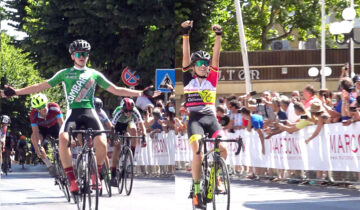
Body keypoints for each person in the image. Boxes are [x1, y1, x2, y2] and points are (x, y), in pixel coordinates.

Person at [1, 39, 157, 193]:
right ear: (72, 56)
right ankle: (72, 181)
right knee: (63, 139)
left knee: (102, 142)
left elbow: (116, 90)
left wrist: (141, 93)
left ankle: (96, 175)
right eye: (78, 54)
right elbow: (40, 86)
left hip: (89, 112)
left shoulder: (94, 74)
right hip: (73, 114)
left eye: (85, 54)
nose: (82, 56)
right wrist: (16, 92)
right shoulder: (65, 74)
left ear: (87, 56)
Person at [181, 20, 227, 208]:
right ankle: (198, 188)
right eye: (199, 63)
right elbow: (185, 56)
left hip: (211, 119)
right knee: (198, 152)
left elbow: (216, 57)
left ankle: (217, 177)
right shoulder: (188, 79)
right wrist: (185, 34)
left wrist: (218, 36)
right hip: (195, 120)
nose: (203, 66)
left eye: (205, 64)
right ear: (193, 66)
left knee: (223, 149)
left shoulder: (212, 78)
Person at [110, 97, 147, 186]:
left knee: (134, 130)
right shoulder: (118, 112)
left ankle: (131, 153)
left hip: (128, 123)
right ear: (122, 108)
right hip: (117, 126)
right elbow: (112, 127)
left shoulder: (135, 111)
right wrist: (114, 137)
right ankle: (113, 174)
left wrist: (144, 137)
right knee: (117, 147)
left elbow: (142, 125)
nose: (128, 112)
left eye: (130, 110)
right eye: (126, 110)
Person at [29, 93, 63, 176]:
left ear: (47, 103)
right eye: (39, 108)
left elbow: (62, 124)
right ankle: (49, 165)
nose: (42, 109)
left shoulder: (54, 107)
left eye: (44, 106)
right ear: (36, 109)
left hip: (55, 127)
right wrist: (39, 145)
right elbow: (36, 132)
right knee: (34, 139)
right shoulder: (33, 114)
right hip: (42, 129)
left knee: (65, 139)